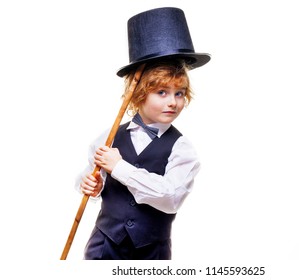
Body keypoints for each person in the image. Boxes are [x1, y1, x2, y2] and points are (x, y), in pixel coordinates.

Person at [75, 7, 210, 260]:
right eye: (162, 92)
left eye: (179, 93)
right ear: (137, 94)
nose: (173, 102)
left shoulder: (182, 149)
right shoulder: (110, 136)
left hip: (151, 253)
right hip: (104, 246)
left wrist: (120, 168)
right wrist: (91, 183)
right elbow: (93, 174)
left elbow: (170, 197)